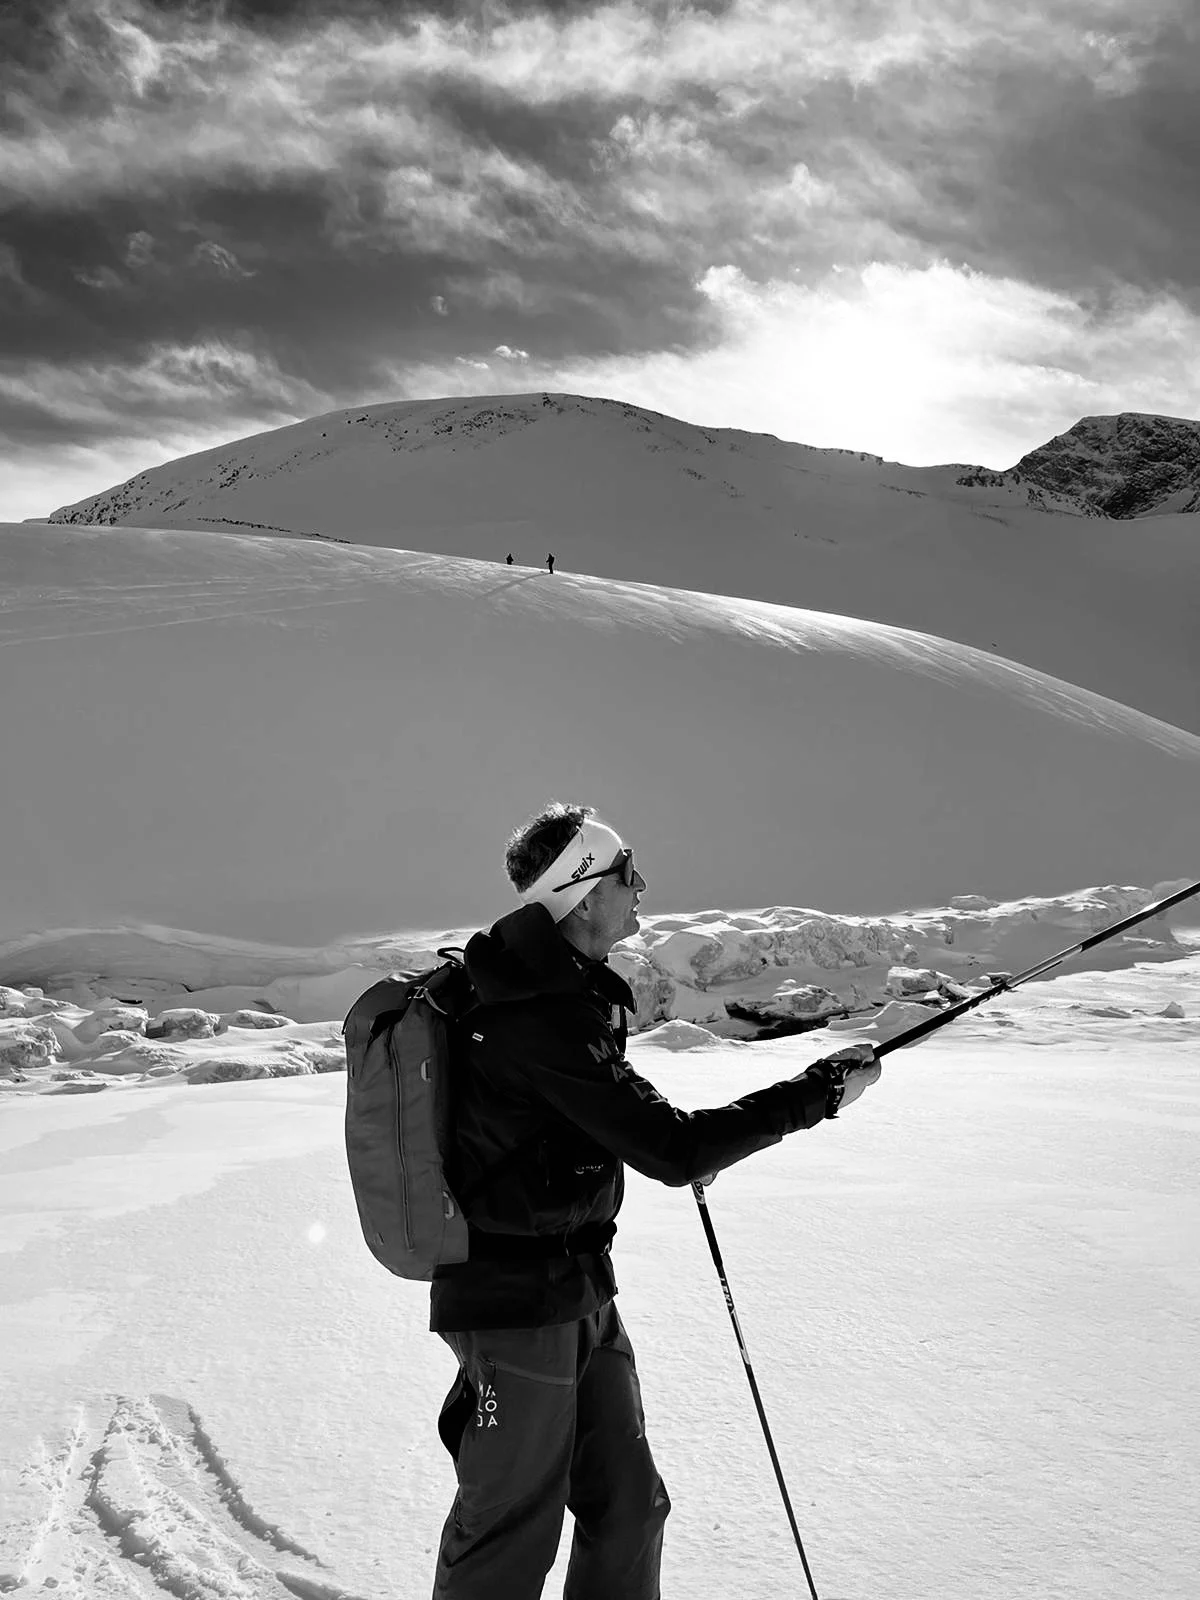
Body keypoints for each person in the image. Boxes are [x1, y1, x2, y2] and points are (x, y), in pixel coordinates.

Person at [432, 801, 881, 1600]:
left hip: (580, 1289)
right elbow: (672, 1149)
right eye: (628, 872)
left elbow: (634, 1129)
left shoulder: (564, 993)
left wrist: (679, 1145)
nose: (643, 888)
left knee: (631, 1508)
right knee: (509, 1532)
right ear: (585, 889)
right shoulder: (534, 1012)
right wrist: (820, 1093)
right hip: (515, 1305)